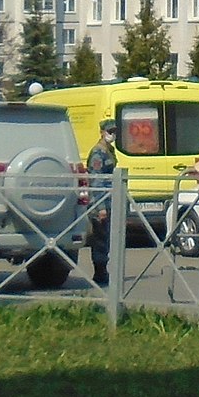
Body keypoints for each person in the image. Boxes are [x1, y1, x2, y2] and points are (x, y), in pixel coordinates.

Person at [83, 116, 120, 286]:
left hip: (110, 199)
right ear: (102, 132)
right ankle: (99, 272)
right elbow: (96, 181)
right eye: (110, 131)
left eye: (114, 132)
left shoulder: (109, 150)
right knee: (100, 239)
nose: (112, 135)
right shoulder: (98, 152)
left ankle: (103, 270)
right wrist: (101, 207)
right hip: (101, 202)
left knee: (106, 239)